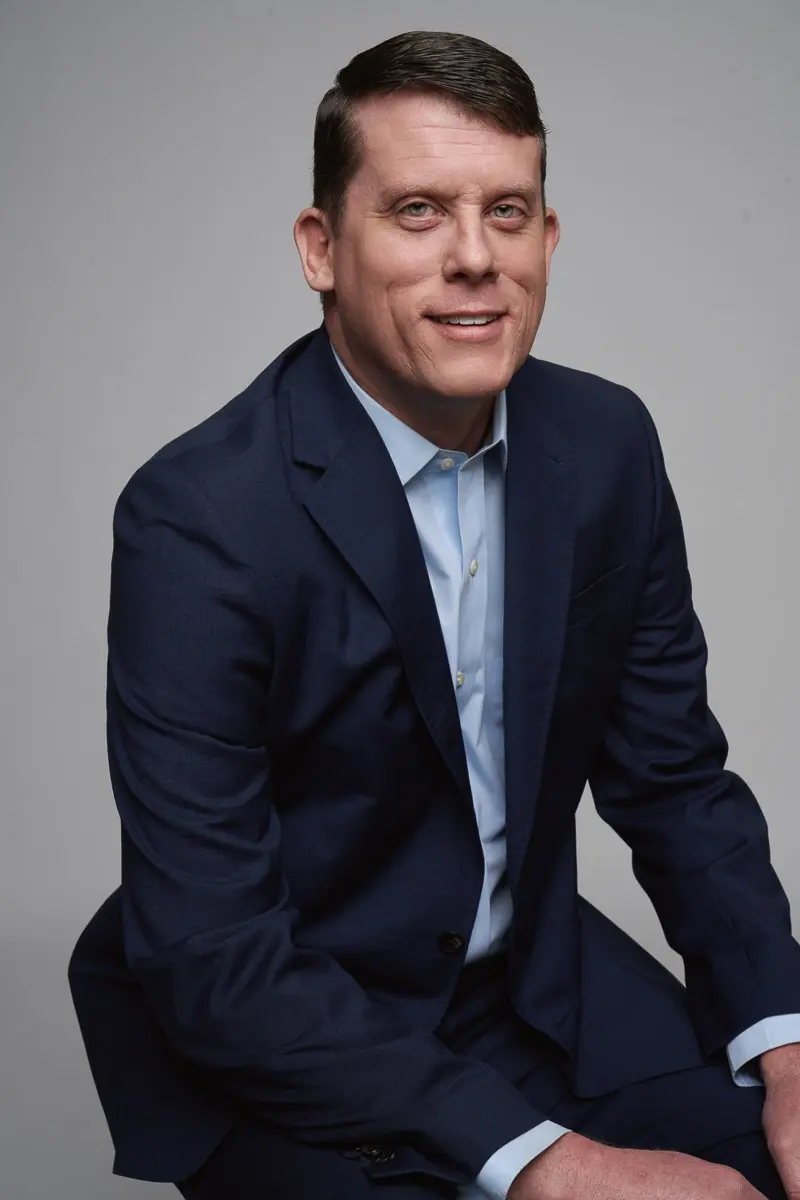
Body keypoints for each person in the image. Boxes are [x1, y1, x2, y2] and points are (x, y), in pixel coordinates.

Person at [68, 29, 800, 1200]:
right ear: (320, 248)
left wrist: (785, 1043)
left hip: (530, 986)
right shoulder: (198, 517)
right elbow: (217, 956)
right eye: (416, 211)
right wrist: (546, 1162)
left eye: (506, 212)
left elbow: (671, 781)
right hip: (284, 1024)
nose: (474, 258)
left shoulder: (605, 446)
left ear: (547, 240)